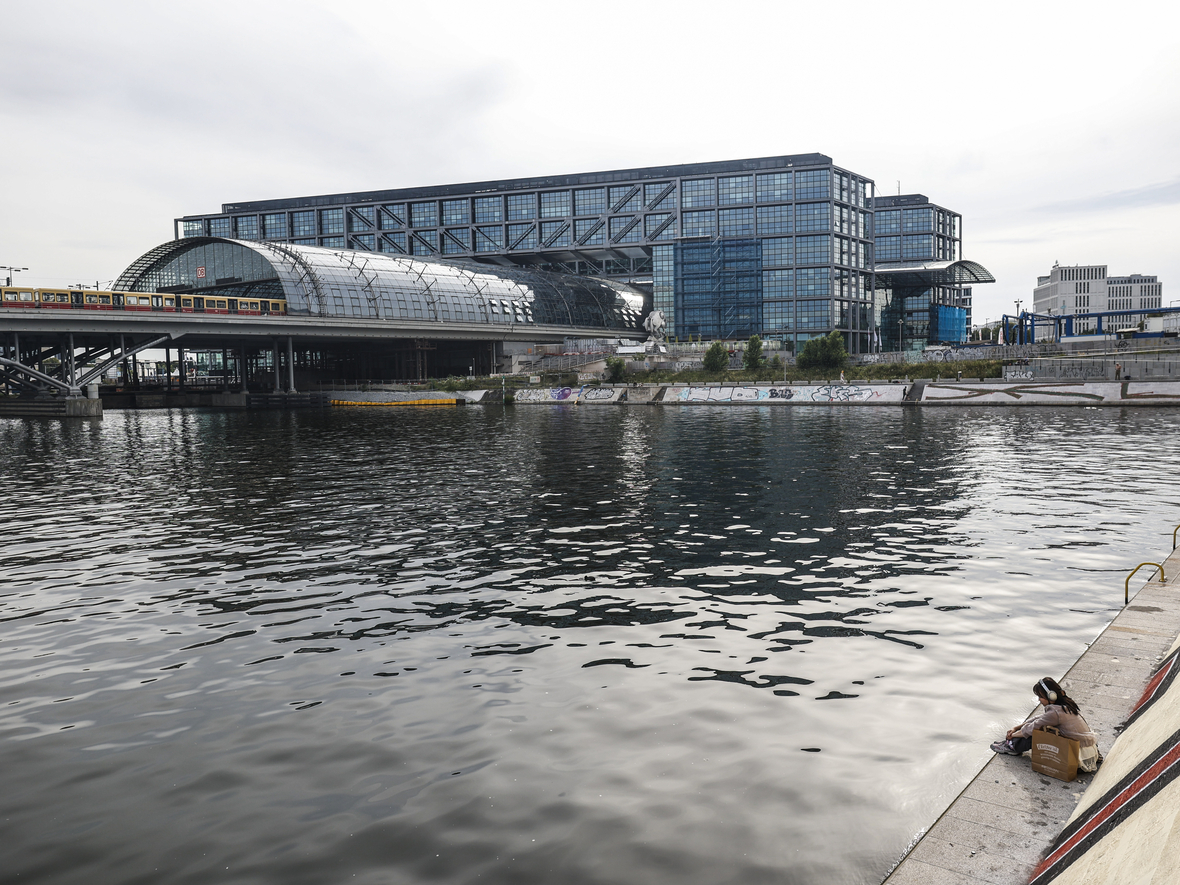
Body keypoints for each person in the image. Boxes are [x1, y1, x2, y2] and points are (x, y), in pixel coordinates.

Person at [990, 677, 1101, 772]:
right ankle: (1010, 743)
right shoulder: (1065, 704)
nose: (1039, 700)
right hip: (1089, 752)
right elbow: (1039, 718)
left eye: (1040, 697)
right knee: (1040, 727)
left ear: (1051, 696)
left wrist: (1012, 735)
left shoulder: (1055, 713)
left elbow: (1032, 728)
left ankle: (1012, 746)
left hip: (1077, 760)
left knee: (1037, 733)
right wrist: (1016, 727)